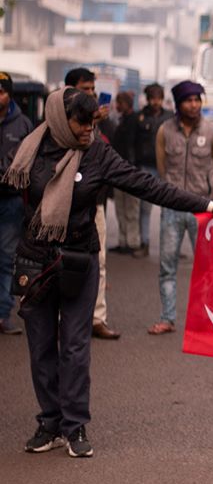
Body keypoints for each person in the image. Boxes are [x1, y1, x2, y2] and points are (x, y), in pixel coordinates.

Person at [4, 88, 213, 458]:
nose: (89, 129)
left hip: (79, 260)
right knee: (40, 346)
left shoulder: (98, 153)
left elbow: (148, 186)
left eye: (94, 122)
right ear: (62, 118)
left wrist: (205, 204)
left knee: (74, 347)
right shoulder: (30, 148)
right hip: (37, 262)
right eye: (81, 122)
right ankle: (50, 423)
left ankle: (75, 427)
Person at [148, 81, 213, 335]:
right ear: (178, 104)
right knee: (167, 265)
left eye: (197, 99)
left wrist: (205, 188)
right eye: (188, 100)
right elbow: (162, 167)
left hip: (202, 209)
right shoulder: (164, 131)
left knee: (206, 267)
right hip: (171, 207)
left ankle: (208, 319)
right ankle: (167, 318)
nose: (194, 105)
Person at [64, 68, 119, 340]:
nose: (91, 94)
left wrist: (99, 121)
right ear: (70, 89)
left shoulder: (101, 119)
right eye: (85, 89)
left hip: (93, 201)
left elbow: (110, 153)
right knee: (62, 261)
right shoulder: (57, 117)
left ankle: (97, 318)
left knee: (99, 260)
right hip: (62, 205)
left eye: (93, 89)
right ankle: (64, 318)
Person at [0, 71, 32, 335]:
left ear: (9, 94)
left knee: (6, 258)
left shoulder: (23, 124)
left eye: (1, 91)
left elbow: (27, 162)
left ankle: (2, 314)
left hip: (11, 201)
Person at [132, 83, 174, 257]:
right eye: (153, 98)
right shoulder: (139, 117)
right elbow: (133, 143)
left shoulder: (171, 117)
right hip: (146, 167)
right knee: (145, 209)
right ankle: (145, 243)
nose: (156, 102)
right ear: (148, 99)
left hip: (166, 167)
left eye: (159, 98)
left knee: (169, 208)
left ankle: (169, 247)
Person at [109, 92, 141, 254]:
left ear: (126, 104)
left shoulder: (134, 121)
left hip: (130, 172)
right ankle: (124, 242)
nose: (116, 105)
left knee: (130, 210)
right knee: (122, 209)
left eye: (119, 102)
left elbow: (133, 148)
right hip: (121, 171)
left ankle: (132, 242)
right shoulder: (122, 121)